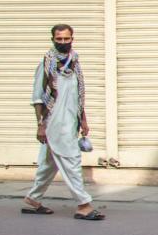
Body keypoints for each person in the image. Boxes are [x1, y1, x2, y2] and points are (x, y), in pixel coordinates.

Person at [22, 24, 103, 220]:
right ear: (53, 40)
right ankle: (84, 204)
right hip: (54, 123)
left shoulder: (75, 63)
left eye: (66, 39)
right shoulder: (46, 63)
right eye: (59, 39)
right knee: (72, 160)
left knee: (50, 163)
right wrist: (41, 125)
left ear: (72, 39)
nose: (63, 43)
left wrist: (83, 119)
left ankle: (33, 199)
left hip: (71, 121)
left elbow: (78, 95)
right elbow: (38, 98)